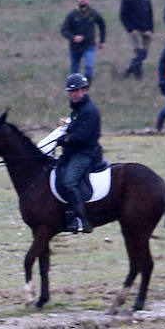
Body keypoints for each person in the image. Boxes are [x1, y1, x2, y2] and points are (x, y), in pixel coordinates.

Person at [56, 72, 103, 233]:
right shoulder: (78, 110)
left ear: (85, 90)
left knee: (69, 182)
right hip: (75, 152)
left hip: (86, 153)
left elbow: (82, 137)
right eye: (71, 91)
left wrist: (66, 139)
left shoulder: (90, 111)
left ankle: (83, 220)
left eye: (77, 91)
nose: (74, 94)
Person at [60, 0, 106, 84]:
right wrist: (73, 37)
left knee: (89, 68)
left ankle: (85, 87)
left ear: (88, 0)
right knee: (74, 72)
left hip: (89, 46)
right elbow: (64, 30)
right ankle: (74, 88)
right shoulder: (72, 14)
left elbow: (102, 25)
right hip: (75, 47)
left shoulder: (93, 13)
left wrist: (102, 41)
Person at [119, 0, 154, 79]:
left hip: (147, 30)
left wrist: (151, 29)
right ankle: (139, 76)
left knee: (144, 54)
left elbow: (150, 13)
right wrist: (130, 29)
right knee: (139, 53)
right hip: (135, 31)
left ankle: (128, 69)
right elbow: (123, 15)